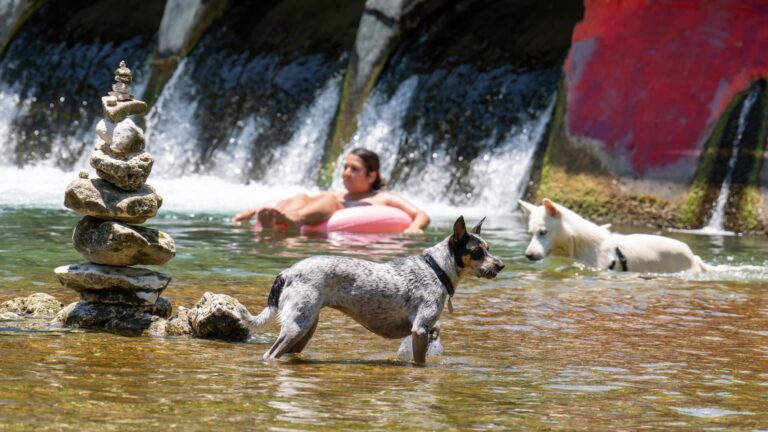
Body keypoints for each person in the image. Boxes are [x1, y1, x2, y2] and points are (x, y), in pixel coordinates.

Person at [232, 148, 430, 233]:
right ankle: (273, 221)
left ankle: (295, 219)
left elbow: (421, 215)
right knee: (303, 196)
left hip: (341, 236)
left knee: (329, 199)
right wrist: (254, 211)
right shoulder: (338, 193)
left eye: (354, 169)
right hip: (314, 223)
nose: (346, 173)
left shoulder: (384, 198)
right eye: (345, 167)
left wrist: (414, 227)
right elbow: (298, 199)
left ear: (372, 175)